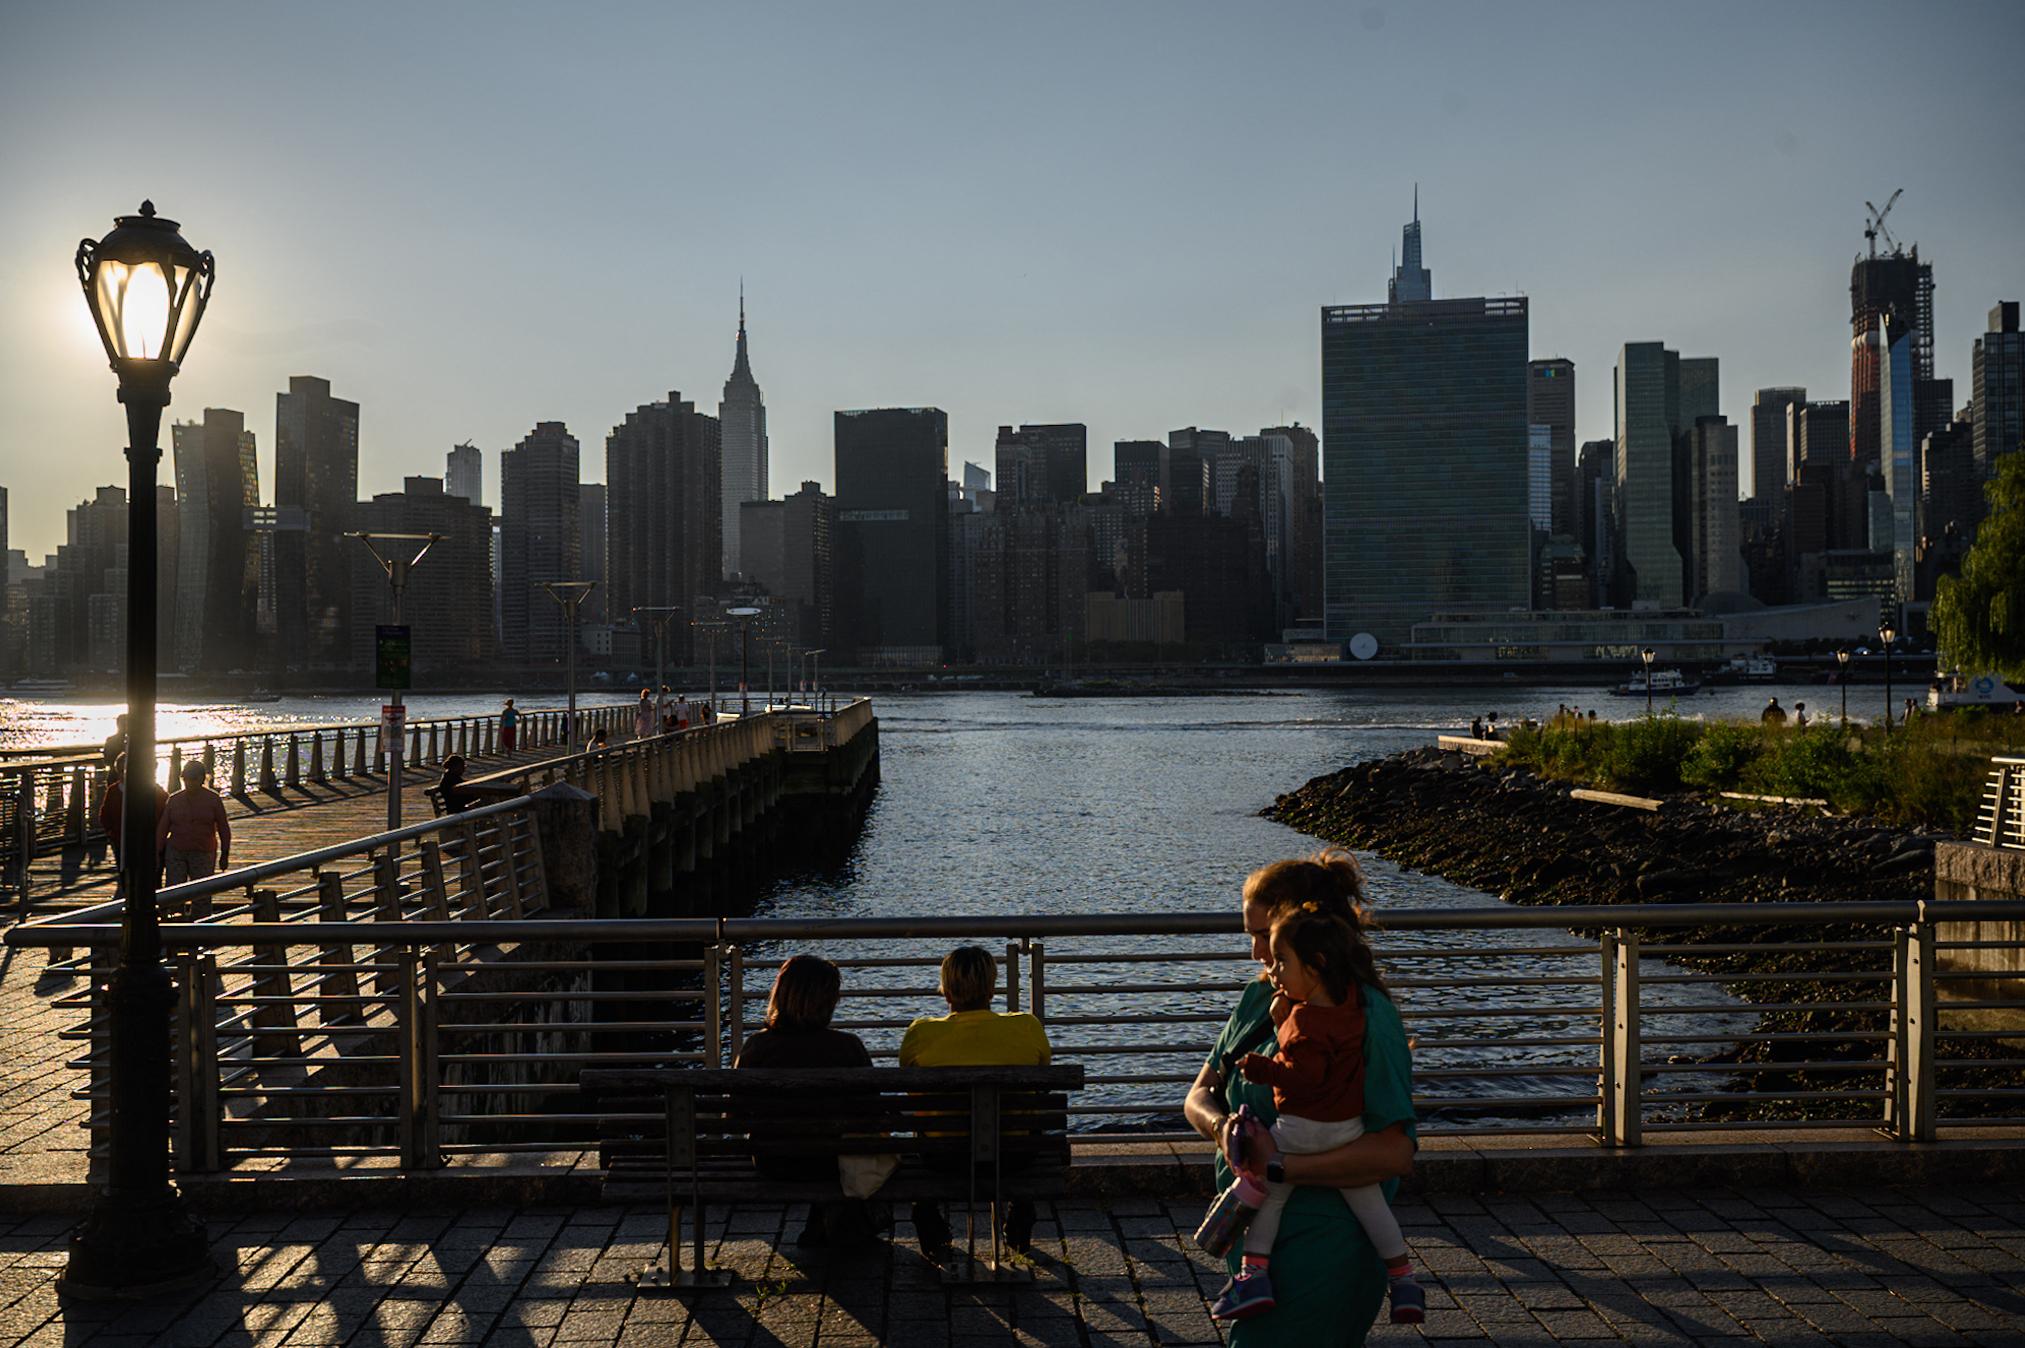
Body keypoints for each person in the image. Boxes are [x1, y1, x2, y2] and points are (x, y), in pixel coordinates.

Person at [1183, 851, 1416, 1346]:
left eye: (1263, 937)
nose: (1253, 953)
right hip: (1257, 1254)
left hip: (1324, 1250)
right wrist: (1221, 1128)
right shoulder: (1259, 1000)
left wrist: (1279, 1167)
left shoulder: (1368, 1020)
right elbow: (1198, 1094)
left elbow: (1395, 1152)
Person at [899, 945, 1051, 1256]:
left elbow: (911, 1089)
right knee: (1026, 1116)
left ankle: (926, 1213)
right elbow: (1042, 1081)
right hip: (1014, 1156)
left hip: (942, 1159)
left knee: (924, 1126)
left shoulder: (920, 1033)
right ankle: (1021, 1209)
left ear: (946, 990)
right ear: (992, 988)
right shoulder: (1027, 1026)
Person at [734, 955, 878, 1246]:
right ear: (829, 1000)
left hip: (773, 1162)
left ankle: (827, 1222)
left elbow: (734, 1115)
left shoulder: (757, 1047)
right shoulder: (848, 1048)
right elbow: (873, 1112)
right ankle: (840, 1219)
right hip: (831, 1163)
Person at [157, 760, 231, 886]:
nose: (189, 783)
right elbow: (163, 829)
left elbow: (223, 828)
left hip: (203, 852)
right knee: (175, 892)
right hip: (176, 852)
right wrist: (157, 853)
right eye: (186, 779)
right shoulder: (174, 800)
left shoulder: (213, 800)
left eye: (193, 779)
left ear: (202, 779)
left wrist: (225, 853)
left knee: (202, 894)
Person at [95, 753, 167, 875]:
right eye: (122, 770)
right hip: (121, 840)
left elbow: (164, 813)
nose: (125, 774)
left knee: (151, 875)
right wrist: (111, 832)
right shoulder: (113, 791)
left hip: (148, 841)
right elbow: (105, 814)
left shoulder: (154, 791)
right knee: (125, 874)